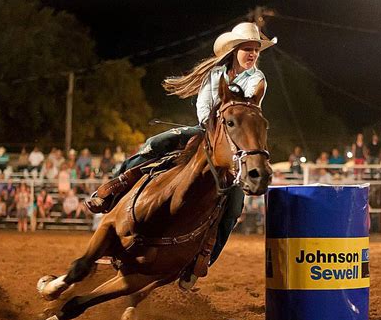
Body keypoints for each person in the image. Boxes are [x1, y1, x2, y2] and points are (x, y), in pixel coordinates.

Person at [85, 22, 277, 288]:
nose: (252, 54)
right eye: (247, 48)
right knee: (155, 145)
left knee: (233, 206)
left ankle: (202, 261)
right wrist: (209, 129)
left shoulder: (258, 80)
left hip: (232, 142)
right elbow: (204, 105)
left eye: (256, 50)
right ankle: (113, 190)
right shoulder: (216, 73)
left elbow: (244, 111)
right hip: (207, 130)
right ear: (235, 50)